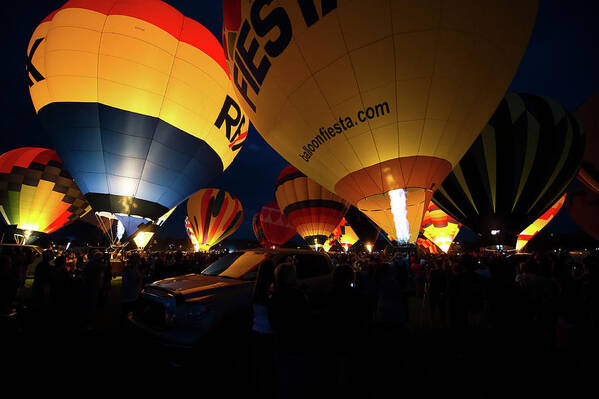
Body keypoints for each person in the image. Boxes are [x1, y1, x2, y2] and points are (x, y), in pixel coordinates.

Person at [268, 262, 311, 399]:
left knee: (284, 380)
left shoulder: (273, 295)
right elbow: (305, 319)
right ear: (291, 277)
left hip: (280, 343)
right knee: (299, 378)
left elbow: (274, 321)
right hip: (296, 344)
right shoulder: (297, 296)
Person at [251, 260, 276, 398]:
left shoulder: (256, 289)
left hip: (256, 331)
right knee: (268, 365)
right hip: (268, 333)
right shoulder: (271, 291)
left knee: (259, 364)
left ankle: (258, 388)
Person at [121, 253, 144, 326]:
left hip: (135, 293)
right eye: (137, 259)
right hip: (130, 293)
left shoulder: (135, 268)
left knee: (133, 312)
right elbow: (126, 282)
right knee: (129, 311)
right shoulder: (128, 269)